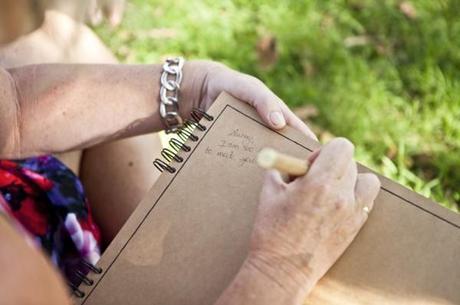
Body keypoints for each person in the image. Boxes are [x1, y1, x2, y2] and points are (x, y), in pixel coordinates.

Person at [0, 1, 381, 304]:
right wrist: (280, 269)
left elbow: (11, 111)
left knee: (62, 39)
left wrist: (191, 87)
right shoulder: (13, 275)